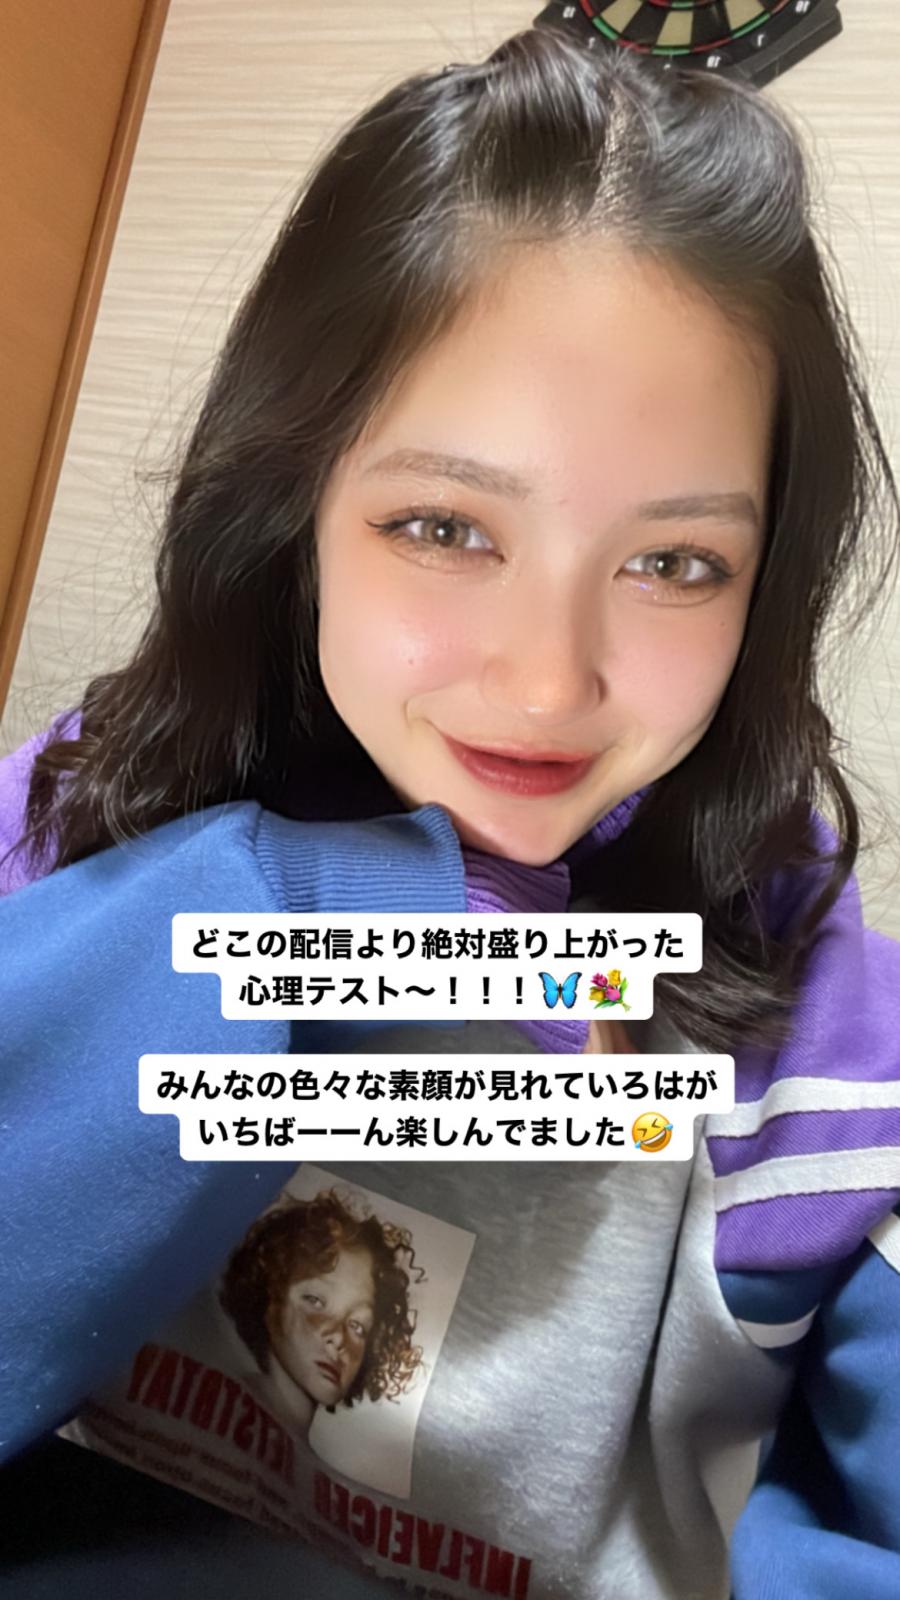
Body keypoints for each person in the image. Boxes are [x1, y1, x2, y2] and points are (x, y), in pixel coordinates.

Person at [1, 22, 899, 1600]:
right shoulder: (82, 815)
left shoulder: (813, 1051)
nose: (550, 684)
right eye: (444, 526)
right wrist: (290, 907)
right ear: (293, 502)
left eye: (675, 562)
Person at [218, 1188, 424, 1442]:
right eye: (315, 1301)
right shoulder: (219, 1408)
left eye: (358, 1325)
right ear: (269, 1295)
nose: (338, 1338)